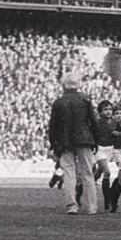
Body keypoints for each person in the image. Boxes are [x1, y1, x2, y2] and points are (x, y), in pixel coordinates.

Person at [48, 73, 100, 215]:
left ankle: (72, 206)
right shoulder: (85, 100)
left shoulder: (58, 102)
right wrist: (96, 141)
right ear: (78, 84)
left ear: (64, 84)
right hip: (84, 139)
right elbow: (93, 122)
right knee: (88, 173)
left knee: (69, 174)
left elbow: (53, 126)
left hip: (65, 141)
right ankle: (91, 207)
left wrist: (53, 144)